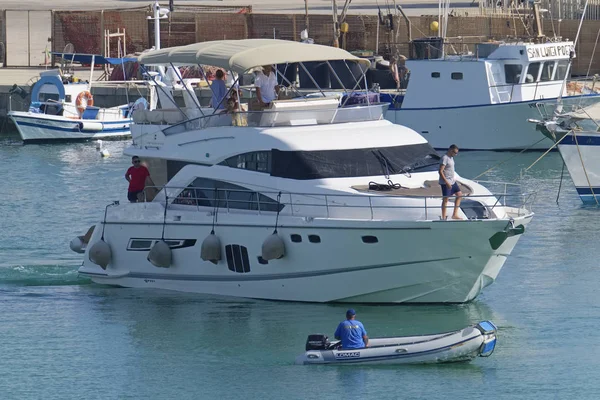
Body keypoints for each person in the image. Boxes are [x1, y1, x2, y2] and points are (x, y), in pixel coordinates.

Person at [438, 144, 463, 220]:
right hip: (446, 182)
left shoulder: (451, 158)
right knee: (445, 199)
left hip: (452, 181)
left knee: (459, 195)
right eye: (455, 152)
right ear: (450, 150)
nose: (455, 154)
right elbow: (440, 171)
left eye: (456, 153)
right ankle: (443, 217)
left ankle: (454, 214)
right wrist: (447, 182)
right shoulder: (444, 158)